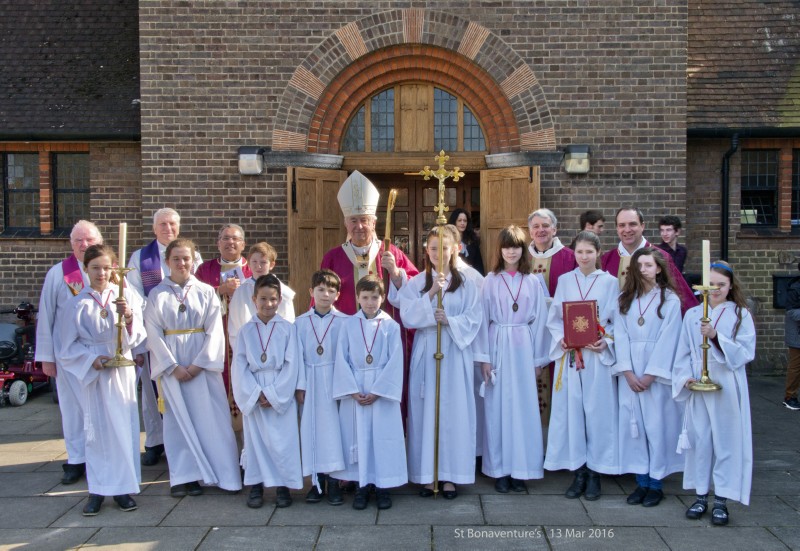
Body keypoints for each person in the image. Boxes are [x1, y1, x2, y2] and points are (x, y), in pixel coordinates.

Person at [144, 238, 242, 498]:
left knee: (212, 419)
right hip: (173, 368)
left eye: (186, 258)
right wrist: (172, 366)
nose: (181, 263)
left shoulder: (206, 291)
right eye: (176, 258)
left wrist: (199, 364)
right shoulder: (157, 295)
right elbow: (153, 333)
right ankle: (185, 477)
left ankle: (224, 474)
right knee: (178, 422)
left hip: (202, 366)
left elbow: (215, 331)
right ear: (167, 262)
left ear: (193, 260)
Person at [320, 171, 419, 421]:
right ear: (345, 223)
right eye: (353, 220)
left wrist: (395, 274)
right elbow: (320, 300)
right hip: (347, 344)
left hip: (384, 344)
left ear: (374, 222)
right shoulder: (333, 257)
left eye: (364, 220)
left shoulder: (391, 253)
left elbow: (415, 293)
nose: (359, 226)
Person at [58, 244, 146, 516]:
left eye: (106, 268)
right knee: (96, 432)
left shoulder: (123, 297)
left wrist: (128, 317)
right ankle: (97, 490)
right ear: (86, 269)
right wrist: (90, 359)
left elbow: (138, 336)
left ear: (113, 269)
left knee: (123, 428)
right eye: (95, 268)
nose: (101, 273)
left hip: (121, 373)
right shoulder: (77, 303)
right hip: (95, 374)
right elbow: (66, 346)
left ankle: (122, 489)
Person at [398, 226, 482, 500]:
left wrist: (450, 321)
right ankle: (426, 475)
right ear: (427, 250)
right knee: (426, 412)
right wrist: (432, 292)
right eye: (433, 248)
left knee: (453, 413)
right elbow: (407, 316)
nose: (438, 253)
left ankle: (451, 476)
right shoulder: (417, 282)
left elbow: (475, 316)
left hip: (455, 352)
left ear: (455, 249)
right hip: (426, 351)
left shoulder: (468, 281)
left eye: (444, 248)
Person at [673, 261, 756, 526]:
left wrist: (716, 336)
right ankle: (700, 495)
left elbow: (745, 352)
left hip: (727, 383)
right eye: (711, 284)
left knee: (726, 441)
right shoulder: (692, 314)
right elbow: (683, 351)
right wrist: (684, 378)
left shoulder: (740, 314)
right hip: (698, 383)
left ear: (731, 286)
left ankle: (722, 499)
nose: (716, 289)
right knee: (700, 440)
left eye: (721, 284)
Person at [544, 231, 620, 500]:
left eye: (589, 252)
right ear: (573, 253)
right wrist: (561, 339)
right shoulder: (566, 280)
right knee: (572, 413)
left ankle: (596, 472)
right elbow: (554, 318)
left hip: (596, 357)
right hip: (571, 356)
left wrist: (606, 341)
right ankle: (578, 471)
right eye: (579, 252)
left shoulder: (610, 283)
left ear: (598, 253)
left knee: (597, 413)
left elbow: (616, 321)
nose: (584, 256)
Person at [477, 225, 550, 493]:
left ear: (523, 250)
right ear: (500, 250)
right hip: (497, 343)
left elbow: (540, 321)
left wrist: (538, 360)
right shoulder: (490, 280)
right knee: (497, 409)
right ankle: (500, 470)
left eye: (516, 247)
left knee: (523, 409)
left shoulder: (533, 281)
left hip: (523, 347)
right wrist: (484, 358)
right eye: (506, 247)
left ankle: (521, 469)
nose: (511, 252)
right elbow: (483, 319)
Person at [128, 207, 203, 467]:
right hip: (153, 332)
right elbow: (133, 294)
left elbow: (196, 290)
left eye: (172, 224)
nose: (168, 228)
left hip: (184, 333)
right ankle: (155, 441)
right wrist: (156, 314)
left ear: (178, 227)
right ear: (154, 228)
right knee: (152, 393)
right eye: (162, 224)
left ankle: (187, 440)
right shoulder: (140, 257)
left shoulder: (193, 254)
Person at [614, 247, 684, 508]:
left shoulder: (669, 299)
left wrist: (651, 375)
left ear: (659, 268)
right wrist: (628, 372)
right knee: (635, 428)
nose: (643, 269)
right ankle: (641, 481)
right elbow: (620, 335)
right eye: (639, 265)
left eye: (649, 265)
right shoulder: (625, 298)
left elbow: (669, 339)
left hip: (655, 373)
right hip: (631, 371)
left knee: (656, 426)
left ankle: (656, 483)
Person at [330, 275, 407, 510]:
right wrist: (352, 391)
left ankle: (383, 487)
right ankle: (361, 486)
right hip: (356, 387)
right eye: (365, 297)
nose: (370, 302)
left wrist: (378, 391)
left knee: (382, 439)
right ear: (357, 298)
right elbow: (341, 358)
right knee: (359, 438)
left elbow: (395, 360)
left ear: (382, 298)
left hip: (381, 390)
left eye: (375, 297)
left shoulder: (391, 326)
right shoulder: (348, 325)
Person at [35, 220, 103, 485]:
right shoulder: (58, 274)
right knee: (73, 409)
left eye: (89, 240)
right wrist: (46, 357)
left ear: (99, 241)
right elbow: (46, 315)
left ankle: (102, 457)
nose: (84, 245)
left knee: (101, 409)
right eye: (78, 240)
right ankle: (76, 460)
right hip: (68, 355)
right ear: (71, 244)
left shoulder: (109, 270)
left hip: (101, 354)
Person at [232, 274, 303, 509]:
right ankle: (256, 485)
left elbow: (292, 364)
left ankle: (283, 486)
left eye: (273, 299)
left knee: (283, 442)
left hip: (280, 389)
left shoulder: (288, 329)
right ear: (254, 299)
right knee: (256, 442)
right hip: (254, 388)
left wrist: (273, 394)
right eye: (263, 299)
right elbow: (239, 366)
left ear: (280, 300)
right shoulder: (245, 331)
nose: (268, 304)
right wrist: (255, 393)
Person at [295, 269, 348, 505]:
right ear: (311, 291)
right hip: (311, 380)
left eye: (331, 290)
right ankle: (316, 483)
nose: (325, 294)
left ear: (338, 295)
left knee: (335, 433)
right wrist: (300, 385)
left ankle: (334, 482)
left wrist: (345, 386)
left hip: (335, 381)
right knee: (312, 431)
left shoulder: (345, 322)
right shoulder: (299, 323)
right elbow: (296, 357)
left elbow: (347, 356)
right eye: (321, 289)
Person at [195, 224, 253, 431]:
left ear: (243, 244)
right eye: (226, 238)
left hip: (245, 336)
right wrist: (220, 290)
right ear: (218, 243)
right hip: (215, 336)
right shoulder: (205, 270)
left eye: (235, 239)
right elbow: (194, 298)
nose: (231, 242)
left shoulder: (253, 267)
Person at [601, 207, 697, 314]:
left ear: (642, 226)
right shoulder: (606, 259)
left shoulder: (661, 256)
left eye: (632, 224)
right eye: (622, 225)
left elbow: (681, 295)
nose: (627, 230)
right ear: (617, 228)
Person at [229, 242, 296, 351]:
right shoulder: (241, 292)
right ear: (249, 263)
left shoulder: (283, 291)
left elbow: (288, 321)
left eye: (263, 262)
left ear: (272, 264)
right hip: (249, 348)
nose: (258, 266)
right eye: (254, 262)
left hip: (276, 348)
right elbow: (235, 326)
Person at [783, 263, 800, 410]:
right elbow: (791, 312)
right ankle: (790, 397)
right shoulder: (795, 289)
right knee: (795, 367)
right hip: (797, 335)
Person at [449, 208, 484, 275]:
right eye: (459, 220)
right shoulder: (448, 240)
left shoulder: (472, 241)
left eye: (465, 221)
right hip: (453, 276)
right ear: (454, 222)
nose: (462, 223)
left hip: (470, 276)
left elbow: (478, 264)